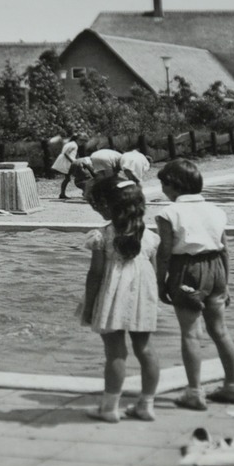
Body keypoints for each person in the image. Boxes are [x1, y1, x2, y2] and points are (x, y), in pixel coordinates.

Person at [153, 158, 234, 408]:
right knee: (220, 330)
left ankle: (194, 392)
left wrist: (160, 282)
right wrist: (226, 282)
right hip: (216, 268)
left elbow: (164, 253)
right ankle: (232, 386)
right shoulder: (216, 210)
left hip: (187, 270)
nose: (162, 190)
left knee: (191, 333)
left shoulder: (168, 213)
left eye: (163, 184)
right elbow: (225, 249)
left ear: (173, 185)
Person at [79, 175, 162, 422]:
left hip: (112, 297)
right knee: (145, 349)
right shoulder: (150, 237)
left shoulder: (101, 236)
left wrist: (89, 305)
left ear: (108, 206)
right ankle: (146, 404)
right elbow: (154, 274)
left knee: (115, 353)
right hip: (142, 297)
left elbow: (95, 274)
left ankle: (110, 407)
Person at [52, 133, 81, 200]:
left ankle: (62, 193)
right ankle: (62, 193)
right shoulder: (74, 145)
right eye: (80, 140)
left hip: (66, 161)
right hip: (67, 162)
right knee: (75, 176)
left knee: (67, 178)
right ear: (77, 139)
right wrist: (73, 161)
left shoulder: (70, 143)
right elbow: (66, 154)